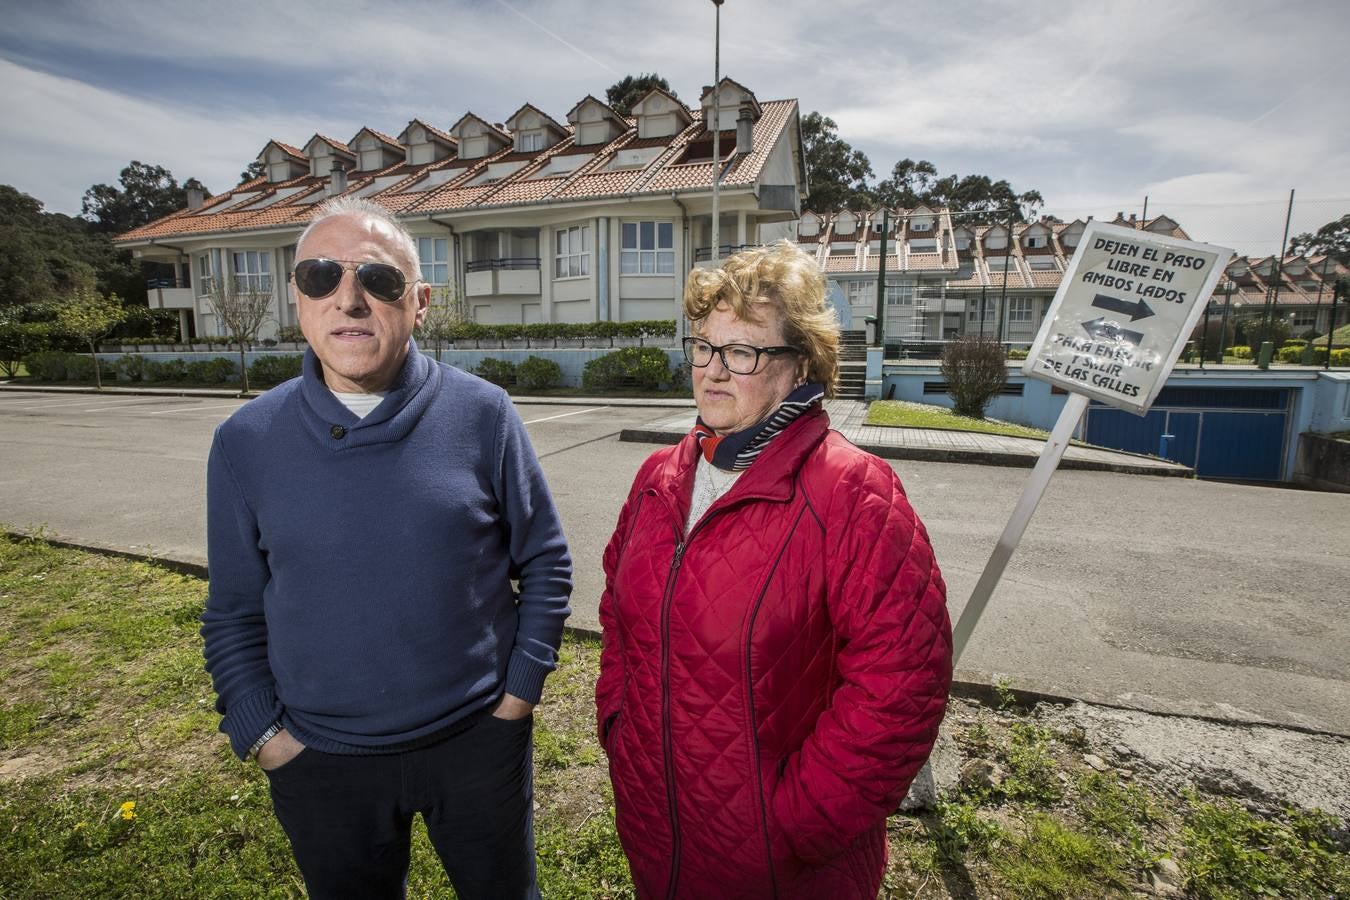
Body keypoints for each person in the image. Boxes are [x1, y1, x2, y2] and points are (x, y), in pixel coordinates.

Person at [201, 196, 571, 899]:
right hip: (320, 762)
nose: (349, 298)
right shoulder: (245, 442)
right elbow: (234, 611)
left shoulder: (484, 414)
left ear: (419, 300)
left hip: (477, 743)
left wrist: (516, 700)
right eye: (321, 277)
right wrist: (267, 739)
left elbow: (546, 562)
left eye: (379, 278)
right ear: (298, 298)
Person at [595, 241, 952, 898]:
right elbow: (618, 615)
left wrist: (794, 825)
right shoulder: (659, 477)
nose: (713, 371)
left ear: (800, 367)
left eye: (743, 352)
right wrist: (619, 727)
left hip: (784, 868)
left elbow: (902, 686)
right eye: (704, 346)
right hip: (657, 835)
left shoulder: (853, 492)